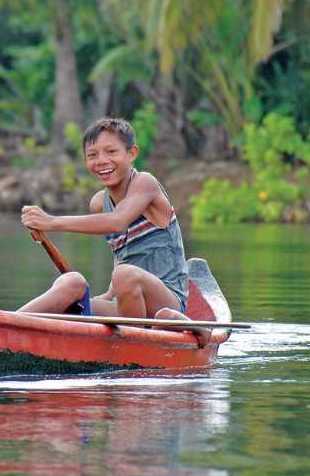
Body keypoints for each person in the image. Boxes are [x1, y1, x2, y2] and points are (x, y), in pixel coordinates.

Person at [19, 117, 207, 341]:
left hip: (166, 301)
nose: (102, 161)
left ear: (131, 154)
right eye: (92, 155)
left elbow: (118, 222)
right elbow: (122, 253)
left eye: (111, 152)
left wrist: (51, 222)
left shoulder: (145, 183)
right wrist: (105, 296)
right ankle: (7, 323)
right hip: (128, 302)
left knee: (125, 275)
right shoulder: (99, 203)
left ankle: (170, 329)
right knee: (73, 283)